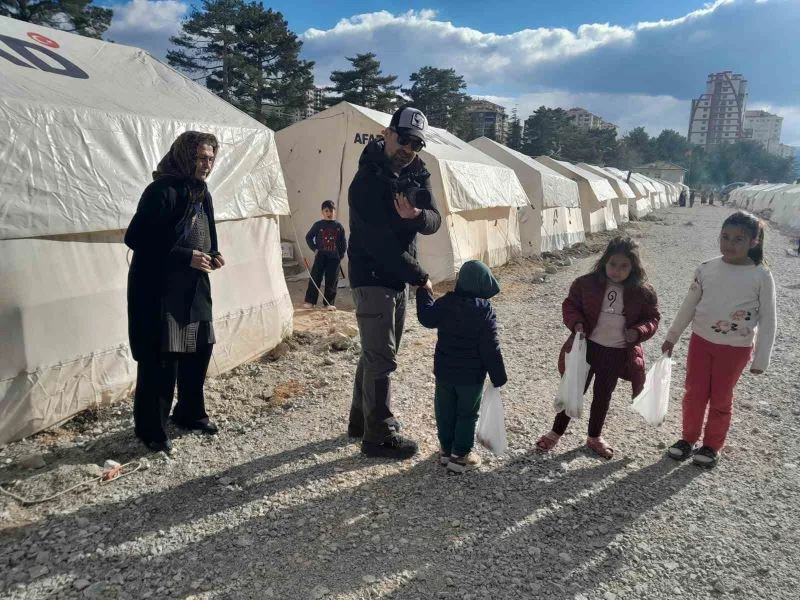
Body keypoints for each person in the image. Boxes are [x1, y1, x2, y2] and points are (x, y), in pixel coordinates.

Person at [346, 105, 442, 459]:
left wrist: (417, 216)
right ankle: (379, 436)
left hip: (397, 277)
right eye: (403, 139)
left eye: (416, 144)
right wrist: (420, 277)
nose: (408, 149)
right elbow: (379, 246)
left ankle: (361, 421)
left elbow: (435, 220)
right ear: (387, 133)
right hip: (372, 274)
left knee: (377, 354)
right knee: (382, 358)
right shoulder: (366, 181)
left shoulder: (417, 173)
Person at [125, 132, 224, 454]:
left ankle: (190, 413)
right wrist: (185, 255)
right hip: (159, 288)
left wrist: (214, 252)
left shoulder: (201, 191)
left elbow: (206, 229)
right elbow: (136, 238)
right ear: (184, 157)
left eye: (210, 158)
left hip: (194, 285)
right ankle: (151, 428)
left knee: (198, 351)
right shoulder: (161, 190)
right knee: (162, 359)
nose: (206, 165)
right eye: (199, 158)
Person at [662, 211, 776, 467]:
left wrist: (761, 358)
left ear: (754, 242)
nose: (729, 244)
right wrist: (673, 335)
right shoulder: (706, 269)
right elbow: (689, 305)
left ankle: (712, 445)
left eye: (738, 239)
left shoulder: (761, 275)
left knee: (721, 397)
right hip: (701, 342)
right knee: (694, 393)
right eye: (725, 237)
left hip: (735, 349)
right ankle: (687, 439)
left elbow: (769, 318)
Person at [536, 237, 661, 459]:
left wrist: (638, 332)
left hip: (616, 353)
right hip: (586, 349)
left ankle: (594, 437)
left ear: (634, 267)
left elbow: (652, 318)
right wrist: (577, 324)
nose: (616, 270)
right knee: (572, 390)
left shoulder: (642, 292)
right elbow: (570, 306)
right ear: (604, 261)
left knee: (603, 396)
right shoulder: (586, 284)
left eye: (624, 266)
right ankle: (555, 432)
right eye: (613, 264)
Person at [416, 260, 507, 473]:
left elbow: (427, 318)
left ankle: (445, 451)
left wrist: (424, 292)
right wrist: (498, 375)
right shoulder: (484, 311)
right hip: (471, 378)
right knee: (466, 414)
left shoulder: (446, 303)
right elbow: (490, 347)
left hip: (444, 373)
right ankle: (460, 455)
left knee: (444, 411)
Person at [303, 200, 347, 311]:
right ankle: (310, 301)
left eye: (331, 210)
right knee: (315, 277)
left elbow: (343, 242)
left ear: (334, 211)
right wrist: (315, 249)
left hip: (334, 258)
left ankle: (328, 303)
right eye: (326, 211)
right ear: (322, 212)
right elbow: (308, 237)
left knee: (332, 280)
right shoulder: (318, 225)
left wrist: (340, 255)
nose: (329, 213)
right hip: (320, 256)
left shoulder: (339, 226)